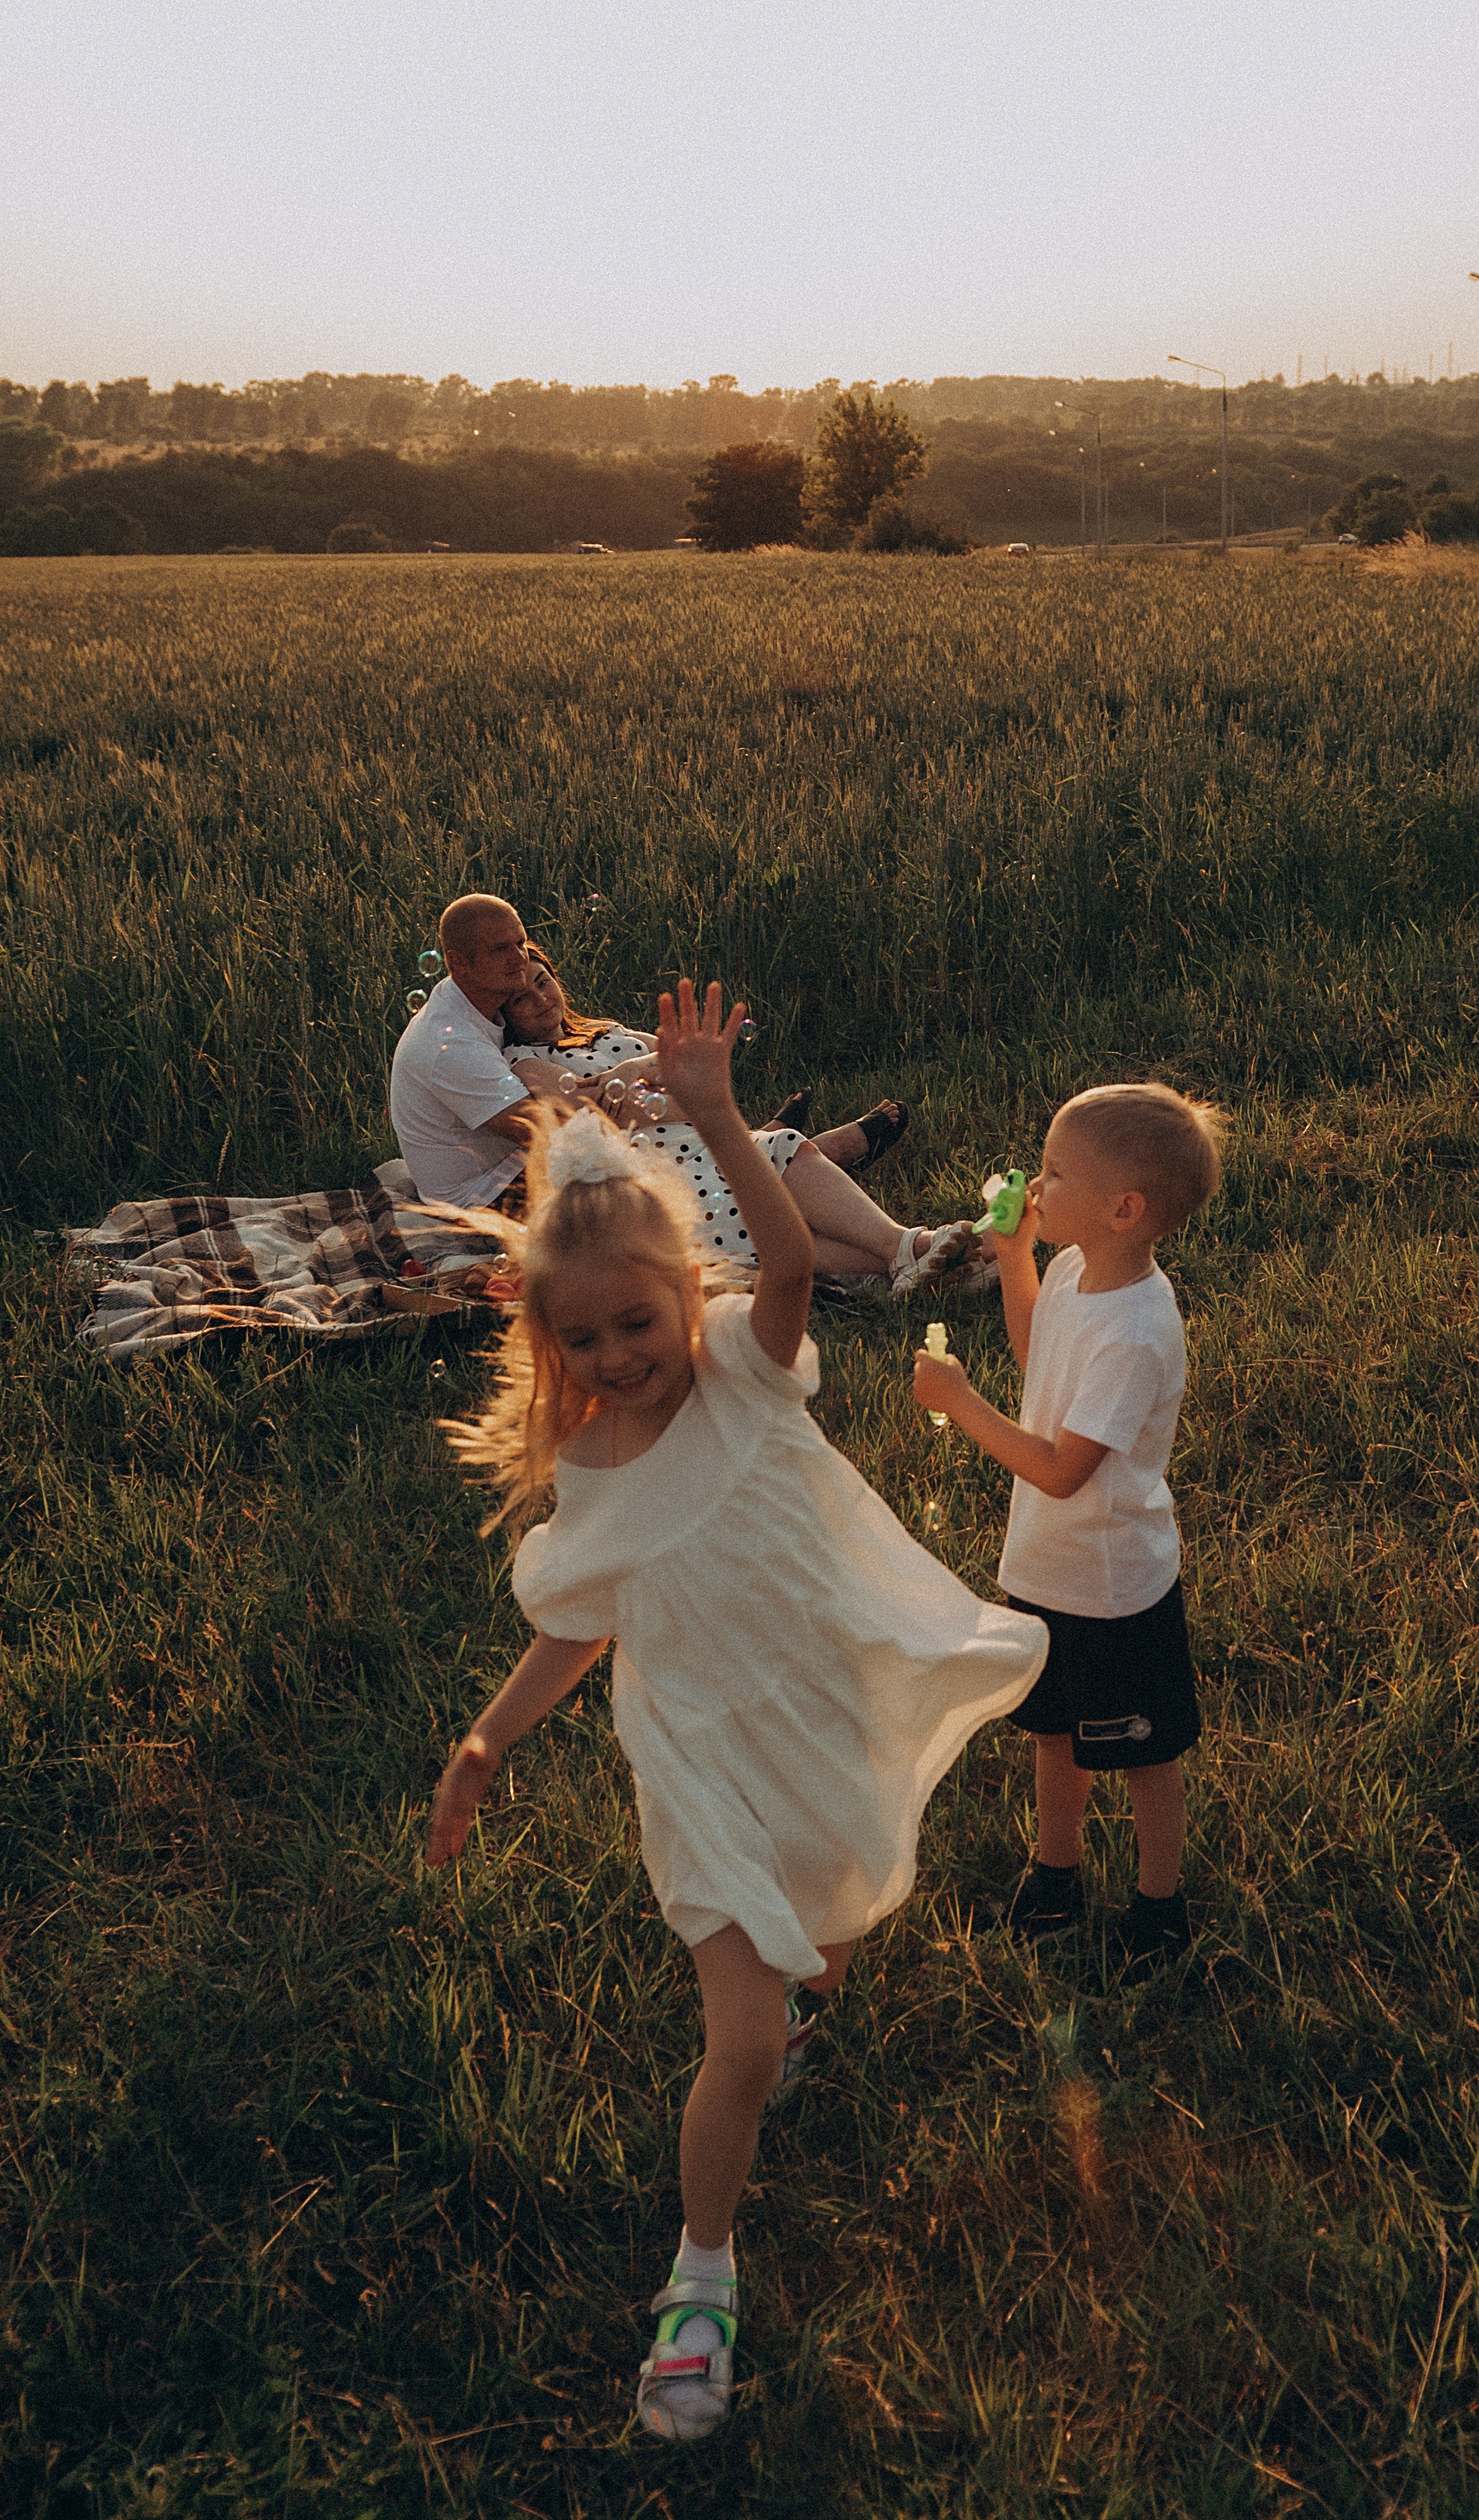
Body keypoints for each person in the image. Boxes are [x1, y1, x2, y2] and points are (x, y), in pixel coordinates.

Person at [424, 983, 1047, 2443]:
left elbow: (783, 1250)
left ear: (679, 1291)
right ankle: (698, 2278)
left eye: (636, 1319)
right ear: (549, 1347)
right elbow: (577, 1621)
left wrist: (712, 1113)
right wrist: (483, 1739)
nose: (619, 1355)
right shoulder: (594, 1469)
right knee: (746, 2035)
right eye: (582, 1340)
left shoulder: (751, 1379)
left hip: (812, 1710)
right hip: (697, 1754)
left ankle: (807, 1984)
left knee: (827, 1909)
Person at [912, 1082, 1226, 1975]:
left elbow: (1060, 1469)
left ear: (1124, 1208)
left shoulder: (1136, 1331)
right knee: (1055, 1730)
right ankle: (1058, 1869)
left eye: (1054, 1172)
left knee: (1142, 1750)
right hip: (1049, 1569)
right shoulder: (1079, 1272)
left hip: (1114, 1582)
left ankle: (1158, 1905)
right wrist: (1016, 1256)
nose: (1034, 1183)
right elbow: (1035, 1350)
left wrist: (961, 1404)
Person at [503, 949, 973, 1293]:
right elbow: (604, 1119)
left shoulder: (611, 1032)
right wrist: (661, 1084)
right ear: (507, 1015)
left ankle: (903, 1252)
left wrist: (628, 1074)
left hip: (708, 1139)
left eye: (544, 981)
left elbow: (697, 1071)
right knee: (745, 1211)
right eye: (522, 998)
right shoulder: (523, 1062)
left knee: (783, 1144)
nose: (541, 999)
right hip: (653, 1170)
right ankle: (918, 1252)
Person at [388, 895, 551, 1209]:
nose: (519, 959)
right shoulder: (450, 1045)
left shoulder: (482, 1000)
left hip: (510, 1164)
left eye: (521, 942)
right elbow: (538, 1129)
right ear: (458, 962)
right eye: (500, 949)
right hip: (481, 1193)